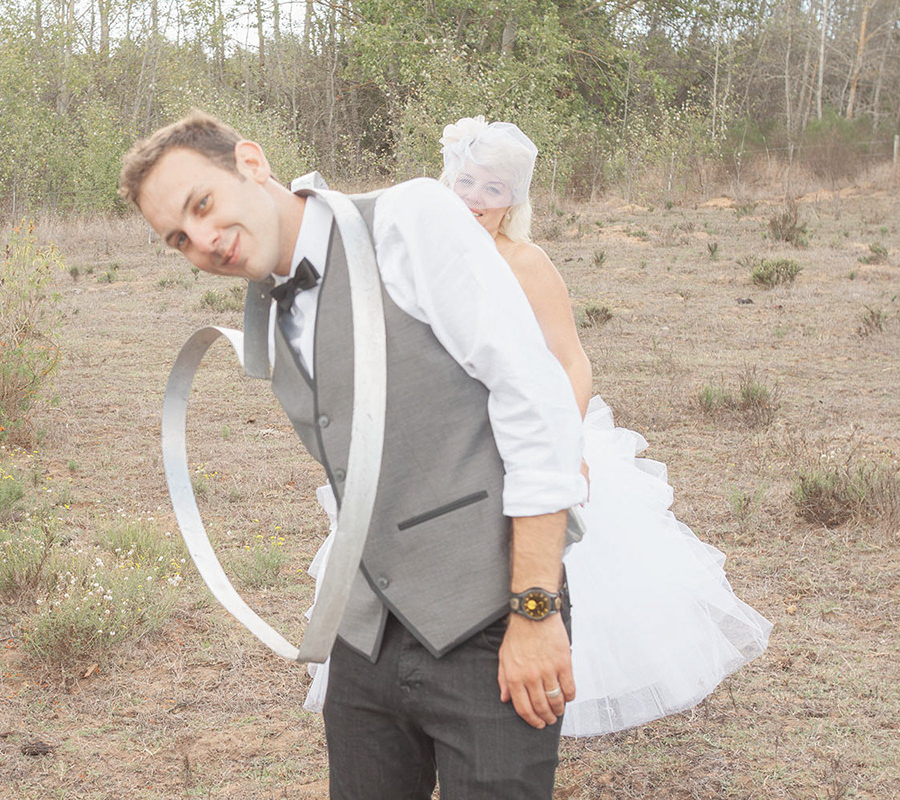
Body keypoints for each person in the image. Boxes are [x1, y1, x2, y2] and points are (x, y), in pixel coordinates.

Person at [120, 110, 589, 799]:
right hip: (363, 637)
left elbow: (537, 404)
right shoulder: (264, 312)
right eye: (179, 239)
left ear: (251, 162)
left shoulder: (408, 218)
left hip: (489, 621)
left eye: (203, 204)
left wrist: (535, 613)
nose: (205, 241)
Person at [304, 116, 773, 737]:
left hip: (530, 432)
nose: (474, 198)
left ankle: (538, 685)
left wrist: (563, 443)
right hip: (442, 446)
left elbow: (571, 360)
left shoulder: (526, 263)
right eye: (465, 181)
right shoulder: (415, 257)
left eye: (492, 188)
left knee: (541, 557)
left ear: (513, 200)